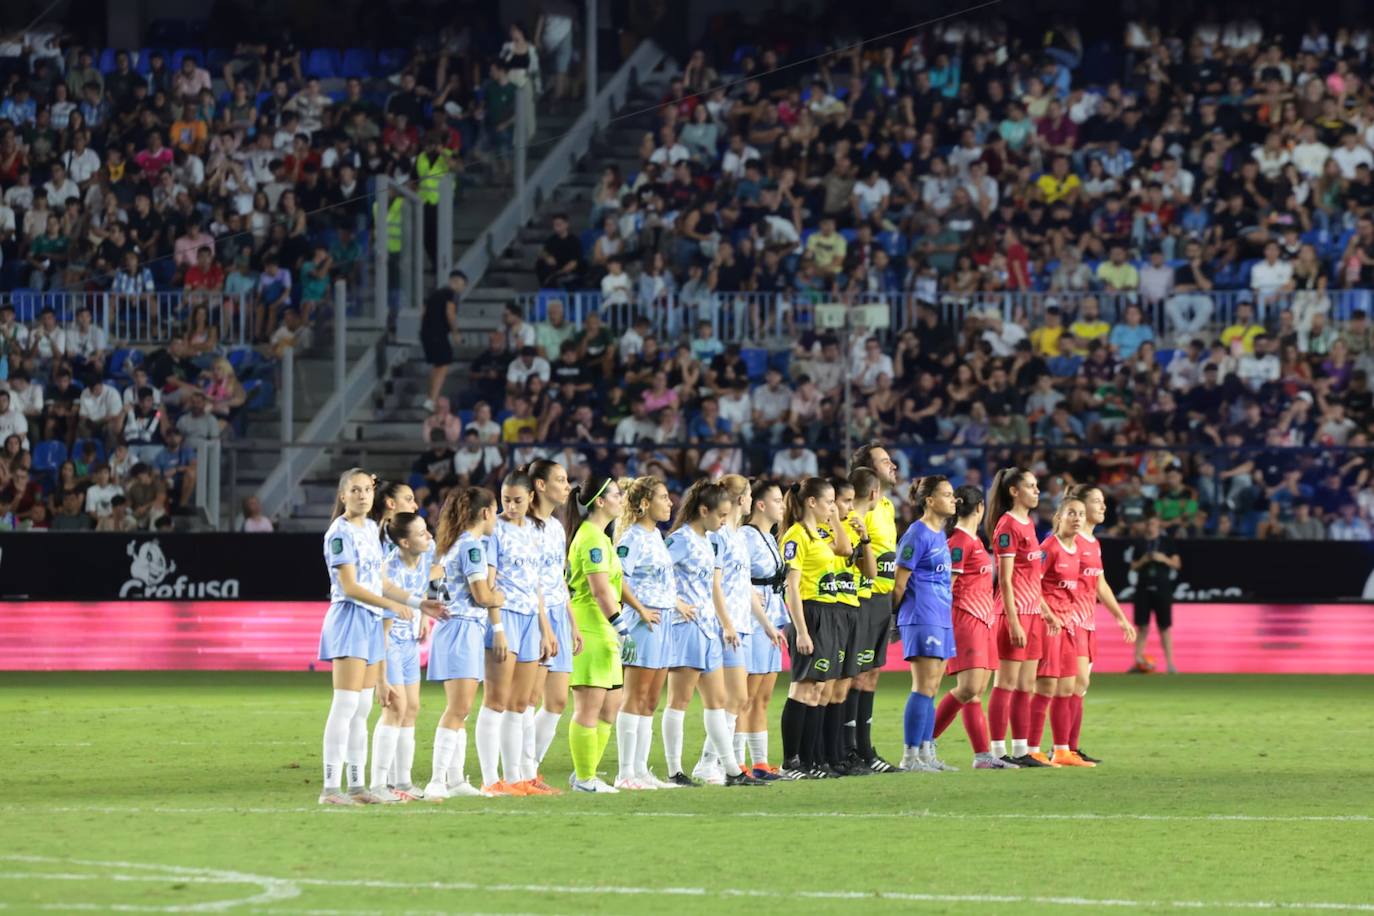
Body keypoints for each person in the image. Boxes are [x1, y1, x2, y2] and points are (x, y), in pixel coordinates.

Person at [318, 469, 446, 806]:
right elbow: (350, 587)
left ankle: (358, 786)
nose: (362, 495)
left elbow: (381, 583)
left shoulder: (371, 533)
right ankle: (331, 788)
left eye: (366, 490)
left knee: (361, 707)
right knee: (345, 704)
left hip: (371, 620)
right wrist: (392, 605)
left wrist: (420, 604)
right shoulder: (340, 533)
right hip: (351, 619)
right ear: (343, 496)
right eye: (354, 490)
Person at [662, 479, 767, 787]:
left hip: (709, 628)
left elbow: (713, 585)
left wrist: (724, 622)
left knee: (719, 701)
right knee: (678, 700)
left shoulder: (709, 541)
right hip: (686, 629)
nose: (724, 521)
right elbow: (655, 573)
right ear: (703, 510)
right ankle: (674, 770)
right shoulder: (680, 540)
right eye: (720, 515)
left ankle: (731, 770)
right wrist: (675, 601)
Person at [476, 469, 557, 796]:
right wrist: (496, 627)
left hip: (528, 619)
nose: (510, 506)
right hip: (505, 617)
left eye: (517, 500)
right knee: (496, 700)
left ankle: (515, 778)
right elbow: (490, 581)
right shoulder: (494, 532)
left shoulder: (535, 532)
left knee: (521, 703)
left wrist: (545, 627)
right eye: (506, 499)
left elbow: (536, 584)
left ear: (530, 499)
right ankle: (488, 779)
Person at [424, 486, 506, 801]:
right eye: (495, 510)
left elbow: (434, 584)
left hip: (455, 628)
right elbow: (482, 596)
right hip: (463, 629)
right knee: (458, 708)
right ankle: (436, 780)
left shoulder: (450, 545)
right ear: (485, 513)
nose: (497, 516)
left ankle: (456, 779)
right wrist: (499, 596)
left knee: (462, 709)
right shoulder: (472, 547)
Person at [930, 485, 1017, 768]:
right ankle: (922, 741)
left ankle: (982, 756)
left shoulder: (976, 541)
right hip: (966, 619)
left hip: (984, 620)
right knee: (967, 689)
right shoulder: (958, 543)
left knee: (976, 692)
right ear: (980, 507)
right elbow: (947, 588)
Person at [690, 474, 765, 783]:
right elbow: (714, 583)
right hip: (726, 625)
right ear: (741, 499)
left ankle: (719, 762)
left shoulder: (735, 535)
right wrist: (726, 623)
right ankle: (710, 762)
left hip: (739, 623)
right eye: (748, 495)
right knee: (731, 697)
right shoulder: (719, 536)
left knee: (737, 699)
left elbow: (739, 583)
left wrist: (764, 623)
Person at [777, 478, 853, 779]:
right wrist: (803, 630)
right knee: (802, 688)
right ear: (811, 502)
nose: (832, 507)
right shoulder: (795, 537)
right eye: (828, 501)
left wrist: (834, 517)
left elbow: (845, 549)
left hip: (828, 610)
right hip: (809, 612)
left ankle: (810, 761)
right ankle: (791, 762)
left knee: (818, 687)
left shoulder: (821, 533)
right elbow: (791, 588)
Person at [612, 476, 680, 789]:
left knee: (651, 700)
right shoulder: (632, 538)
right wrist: (639, 609)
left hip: (663, 620)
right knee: (634, 697)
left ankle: (640, 769)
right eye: (664, 497)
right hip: (644, 622)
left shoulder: (656, 536)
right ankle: (625, 772)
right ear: (644, 504)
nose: (670, 503)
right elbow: (618, 578)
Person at [563, 475, 630, 793]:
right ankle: (585, 777)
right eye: (616, 493)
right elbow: (600, 590)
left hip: (605, 629)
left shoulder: (600, 536)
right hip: (590, 627)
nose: (621, 498)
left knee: (610, 706)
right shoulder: (590, 537)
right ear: (600, 501)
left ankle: (585, 774)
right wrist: (622, 627)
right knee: (589, 707)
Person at [1065, 484, 1137, 763]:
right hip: (1071, 622)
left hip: (1088, 621)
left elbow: (1099, 583)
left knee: (1081, 687)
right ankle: (1059, 747)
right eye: (1096, 501)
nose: (1103, 506)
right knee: (1074, 683)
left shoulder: (1094, 543)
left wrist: (1120, 618)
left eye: (1103, 501)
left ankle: (1069, 747)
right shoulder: (1069, 540)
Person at [985, 467, 1051, 767]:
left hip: (1033, 613)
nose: (1037, 491)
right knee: (1006, 683)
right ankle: (998, 752)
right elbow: (1006, 580)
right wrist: (1012, 621)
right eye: (1031, 486)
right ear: (1014, 491)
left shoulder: (1029, 523)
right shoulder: (1007, 525)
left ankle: (1022, 749)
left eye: (1037, 486)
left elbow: (1032, 578)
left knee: (1026, 685)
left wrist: (1045, 611)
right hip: (1014, 613)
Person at [892, 476, 958, 772]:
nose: (953, 499)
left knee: (932, 687)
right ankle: (910, 757)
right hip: (921, 615)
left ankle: (926, 753)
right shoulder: (916, 534)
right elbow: (899, 584)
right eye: (946, 494)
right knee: (923, 685)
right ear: (929, 500)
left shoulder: (939, 534)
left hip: (940, 615)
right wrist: (894, 618)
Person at [523, 459, 579, 794]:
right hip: (535, 615)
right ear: (540, 485)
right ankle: (521, 771)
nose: (567, 485)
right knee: (529, 698)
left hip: (558, 613)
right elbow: (532, 584)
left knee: (557, 700)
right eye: (560, 479)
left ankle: (532, 768)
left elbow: (558, 579)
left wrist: (571, 623)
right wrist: (546, 626)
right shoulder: (525, 528)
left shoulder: (557, 527)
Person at [374, 511, 438, 801]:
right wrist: (380, 674)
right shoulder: (391, 571)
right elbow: (383, 626)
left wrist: (423, 615)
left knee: (412, 708)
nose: (429, 536)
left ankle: (402, 781)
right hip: (390, 644)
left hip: (411, 643)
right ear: (403, 542)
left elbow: (428, 575)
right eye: (422, 533)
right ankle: (378, 784)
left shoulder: (425, 554)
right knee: (394, 709)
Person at [849, 443, 901, 773]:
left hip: (881, 598)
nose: (892, 465)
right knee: (854, 676)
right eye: (885, 461)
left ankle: (865, 749)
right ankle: (847, 748)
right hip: (861, 597)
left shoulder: (886, 505)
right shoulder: (858, 509)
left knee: (870, 675)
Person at [1028, 497, 1091, 768]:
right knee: (1046, 687)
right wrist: (1048, 614)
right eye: (1071, 513)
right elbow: (1032, 584)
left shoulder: (1076, 548)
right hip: (1049, 624)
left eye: (1081, 514)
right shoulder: (1049, 547)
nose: (1077, 518)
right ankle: (1031, 748)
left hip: (1068, 623)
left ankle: (1062, 750)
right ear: (1059, 516)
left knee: (1068, 687)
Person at [738, 479, 790, 778]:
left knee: (763, 697)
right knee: (747, 695)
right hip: (755, 621)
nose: (782, 506)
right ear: (760, 505)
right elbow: (737, 576)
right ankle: (737, 761)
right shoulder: (746, 535)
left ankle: (759, 761)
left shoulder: (770, 537)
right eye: (777, 500)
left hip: (772, 617)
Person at [826, 476, 875, 776]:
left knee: (843, 687)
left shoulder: (853, 533)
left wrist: (866, 538)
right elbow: (840, 552)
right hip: (830, 611)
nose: (848, 507)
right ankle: (820, 755)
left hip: (852, 607)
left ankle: (838, 755)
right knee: (826, 688)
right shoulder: (822, 533)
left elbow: (868, 574)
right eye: (844, 501)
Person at [1131, 511, 1181, 674]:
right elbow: (1133, 566)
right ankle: (1138, 662)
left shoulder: (1167, 542)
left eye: (1153, 524)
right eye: (1148, 524)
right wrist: (1144, 560)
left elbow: (1177, 564)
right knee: (1142, 627)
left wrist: (1163, 559)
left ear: (1158, 525)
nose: (1151, 527)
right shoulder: (1140, 543)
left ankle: (1171, 664)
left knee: (1164, 627)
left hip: (1162, 589)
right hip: (1143, 589)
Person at [421, 270, 467, 412]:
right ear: (458, 282)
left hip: (426, 333)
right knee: (444, 364)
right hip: (438, 333)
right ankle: (432, 400)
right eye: (463, 285)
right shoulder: (451, 294)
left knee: (437, 365)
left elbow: (423, 312)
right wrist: (456, 333)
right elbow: (450, 313)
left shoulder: (434, 294)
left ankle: (430, 397)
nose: (462, 289)